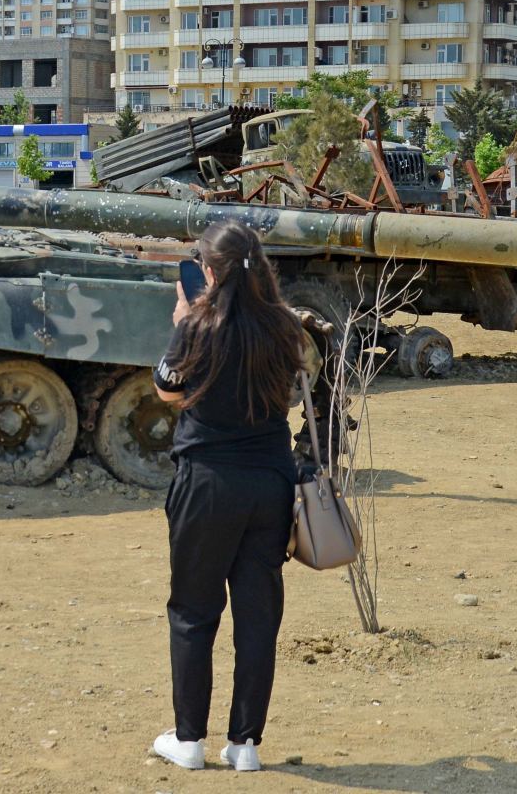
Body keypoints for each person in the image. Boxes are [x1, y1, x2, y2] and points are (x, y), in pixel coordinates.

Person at [149, 221, 305, 773]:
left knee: (193, 611)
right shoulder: (284, 324)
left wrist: (180, 324)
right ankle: (245, 745)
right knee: (258, 615)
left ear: (208, 272)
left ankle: (189, 739)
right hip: (270, 481)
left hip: (207, 481)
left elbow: (167, 388)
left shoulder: (197, 324)